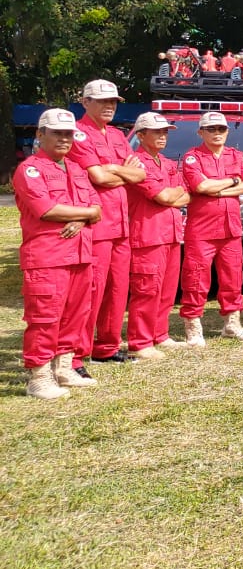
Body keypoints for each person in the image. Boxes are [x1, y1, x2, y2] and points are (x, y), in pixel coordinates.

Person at [13, 109, 102, 398]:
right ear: (40, 134)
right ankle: (39, 376)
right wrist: (85, 214)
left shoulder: (76, 169)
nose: (64, 139)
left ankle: (63, 367)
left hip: (80, 254)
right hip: (47, 256)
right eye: (57, 133)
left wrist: (82, 218)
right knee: (45, 317)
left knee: (76, 313)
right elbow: (46, 209)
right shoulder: (30, 169)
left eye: (68, 134)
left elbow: (97, 208)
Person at [67, 79, 143, 368]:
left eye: (113, 101)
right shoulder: (78, 133)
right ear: (85, 102)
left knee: (118, 288)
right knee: (91, 289)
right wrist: (121, 172)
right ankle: (76, 353)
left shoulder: (117, 135)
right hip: (97, 224)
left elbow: (140, 175)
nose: (109, 106)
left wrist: (111, 169)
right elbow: (97, 178)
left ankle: (106, 347)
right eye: (102, 101)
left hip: (121, 224)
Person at [180, 111, 243, 342]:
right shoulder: (192, 157)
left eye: (221, 129)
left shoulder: (236, 155)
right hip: (201, 229)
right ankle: (193, 324)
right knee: (196, 278)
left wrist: (221, 191)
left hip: (231, 228)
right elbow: (201, 187)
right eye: (211, 129)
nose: (217, 133)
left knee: (233, 277)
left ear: (227, 131)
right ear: (200, 132)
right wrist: (233, 180)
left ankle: (232, 323)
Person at [125, 112, 190, 358]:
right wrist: (172, 195)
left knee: (167, 288)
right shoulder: (136, 164)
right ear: (141, 136)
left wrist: (171, 195)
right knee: (146, 289)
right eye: (157, 132)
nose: (163, 136)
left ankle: (160, 334)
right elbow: (163, 196)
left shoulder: (167, 162)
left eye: (165, 132)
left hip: (171, 234)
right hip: (148, 234)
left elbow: (186, 195)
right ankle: (141, 342)